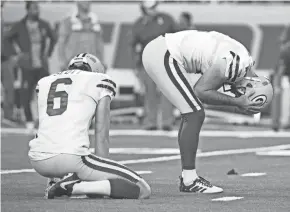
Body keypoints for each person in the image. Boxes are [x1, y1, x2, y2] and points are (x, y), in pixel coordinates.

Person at [142, 30, 262, 193]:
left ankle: (188, 178)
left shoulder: (242, 59)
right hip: (164, 53)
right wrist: (237, 102)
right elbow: (201, 91)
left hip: (162, 50)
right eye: (249, 95)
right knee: (194, 113)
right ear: (252, 85)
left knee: (192, 112)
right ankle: (190, 180)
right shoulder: (237, 63)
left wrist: (237, 101)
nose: (242, 94)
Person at [28, 53, 151, 199]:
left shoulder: (44, 82)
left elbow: (52, 124)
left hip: (37, 160)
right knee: (143, 189)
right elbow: (101, 133)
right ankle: (72, 187)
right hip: (72, 158)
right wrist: (99, 181)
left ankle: (56, 181)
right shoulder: (99, 80)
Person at [5, 1, 56, 130]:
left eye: (37, 9)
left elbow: (53, 38)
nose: (36, 11)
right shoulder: (20, 26)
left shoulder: (44, 25)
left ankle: (45, 120)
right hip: (27, 65)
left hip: (42, 65)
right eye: (34, 9)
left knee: (46, 93)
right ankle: (28, 120)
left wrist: (48, 53)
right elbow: (6, 39)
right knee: (26, 93)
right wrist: (16, 53)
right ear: (27, 10)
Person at [131, 0, 176, 131]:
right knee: (149, 93)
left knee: (167, 92)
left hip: (165, 61)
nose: (154, 10)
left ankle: (167, 121)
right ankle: (150, 121)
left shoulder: (167, 20)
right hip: (147, 62)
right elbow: (132, 44)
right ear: (144, 9)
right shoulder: (139, 24)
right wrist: (135, 65)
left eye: (155, 7)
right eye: (151, 8)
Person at [58, 1, 104, 71]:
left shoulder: (95, 22)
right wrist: (63, 62)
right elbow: (61, 44)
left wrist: (102, 61)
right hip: (73, 64)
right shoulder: (68, 22)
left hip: (91, 64)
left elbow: (100, 44)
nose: (87, 2)